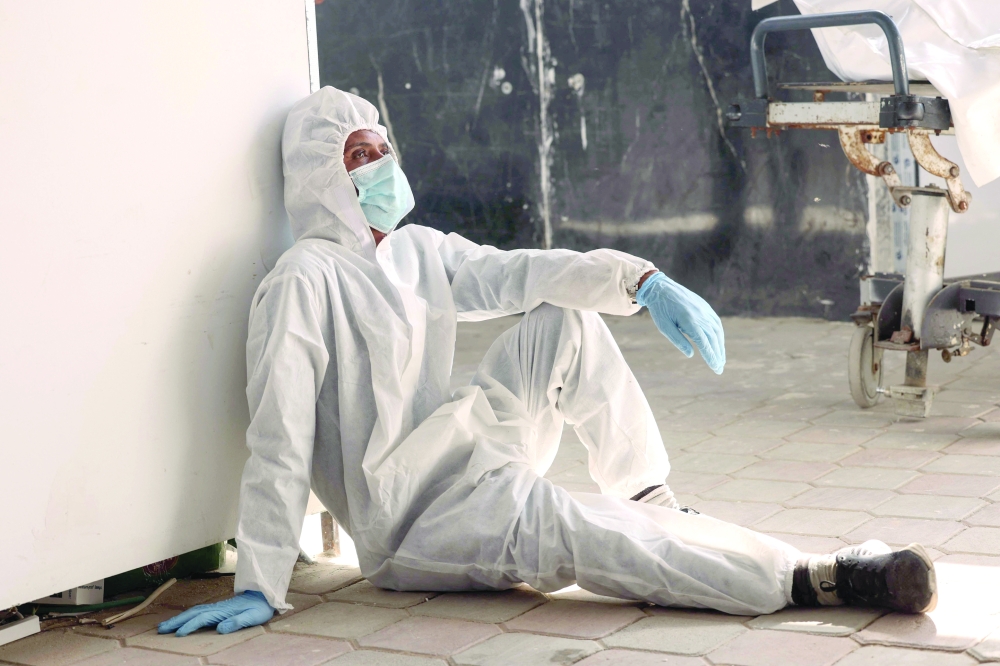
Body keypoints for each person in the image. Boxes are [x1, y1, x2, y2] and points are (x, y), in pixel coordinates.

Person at [159, 87, 936, 637]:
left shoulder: (419, 252)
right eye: (360, 155)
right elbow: (279, 433)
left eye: (383, 146)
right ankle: (806, 577)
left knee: (561, 320)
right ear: (325, 177)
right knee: (572, 525)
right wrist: (260, 579)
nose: (382, 165)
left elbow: (522, 272)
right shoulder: (303, 280)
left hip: (466, 448)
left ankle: (650, 495)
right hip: (413, 519)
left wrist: (639, 279)